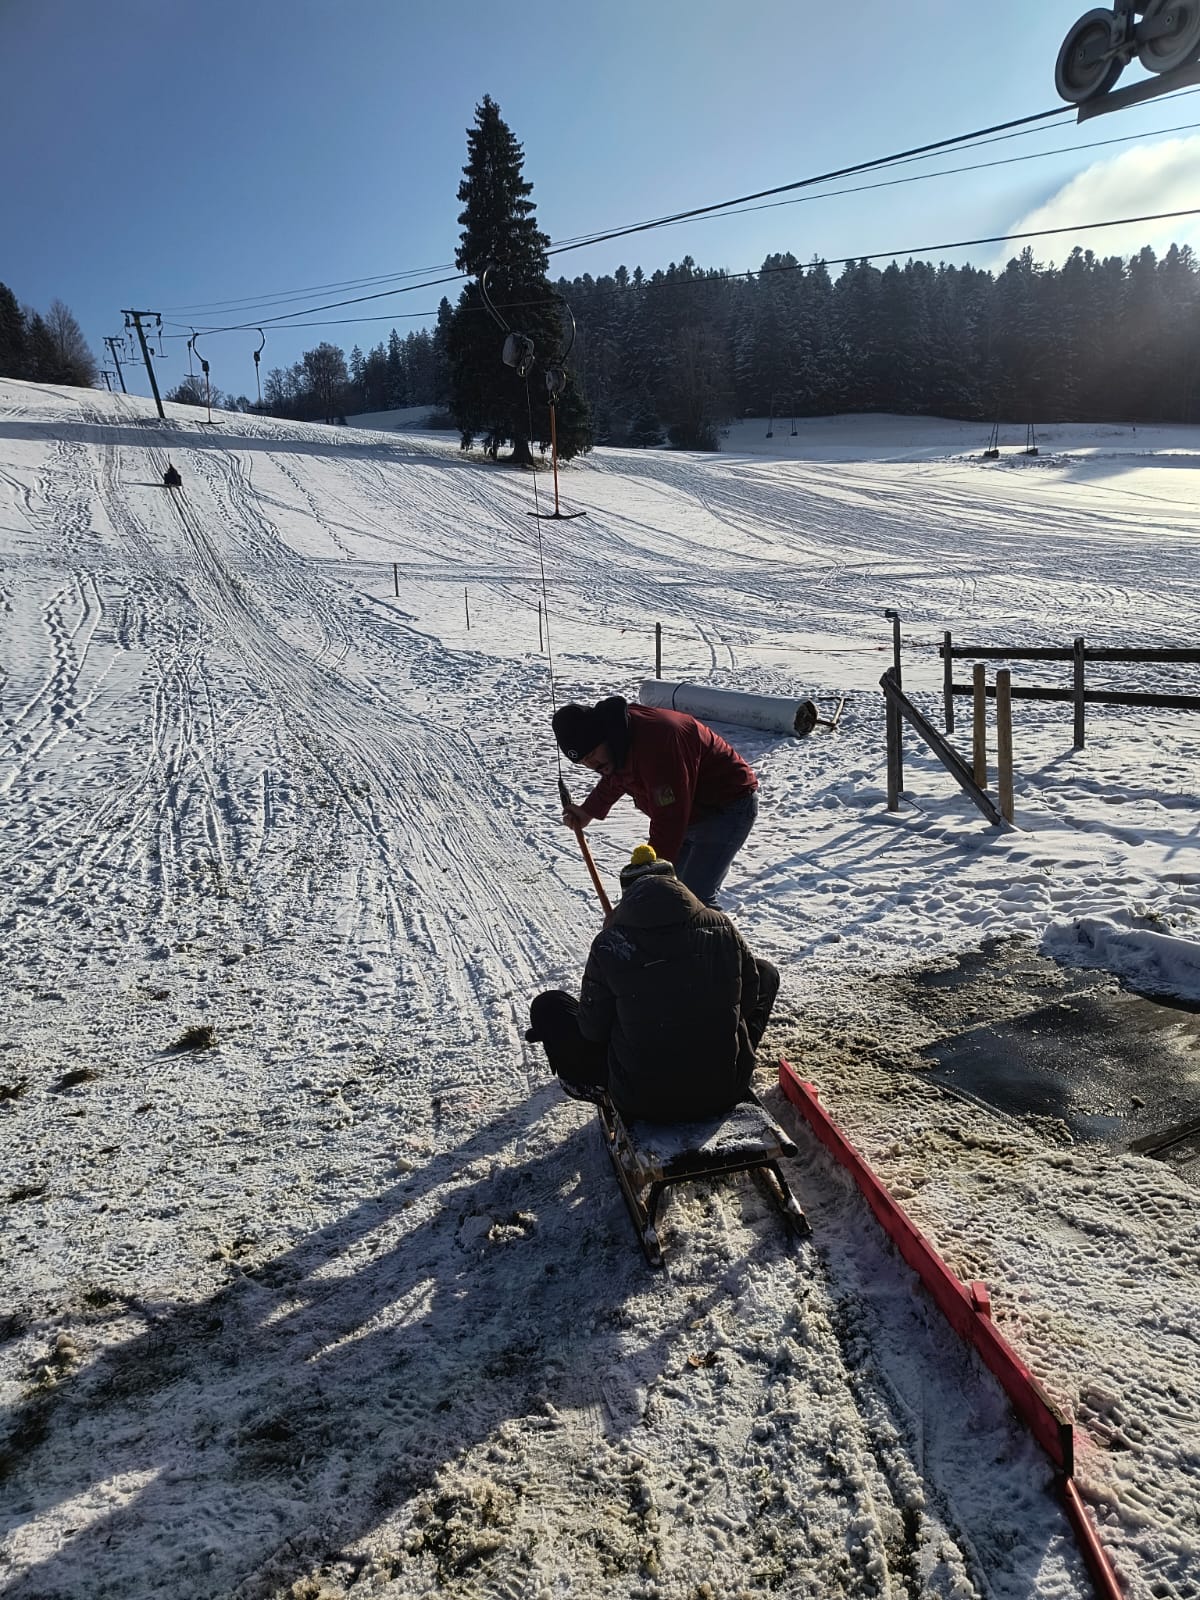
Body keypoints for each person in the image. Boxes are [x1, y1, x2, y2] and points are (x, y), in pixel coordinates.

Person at [526, 845, 780, 1124]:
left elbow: (593, 1030)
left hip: (642, 1099)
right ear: (676, 884)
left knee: (548, 1006)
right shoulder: (721, 925)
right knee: (765, 972)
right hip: (725, 1086)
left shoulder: (611, 943)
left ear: (627, 894)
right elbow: (746, 1004)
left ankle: (602, 1089)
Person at [552, 694, 758, 907]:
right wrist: (589, 810)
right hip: (691, 812)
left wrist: (648, 873)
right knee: (669, 895)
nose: (592, 765)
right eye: (584, 761)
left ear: (604, 736)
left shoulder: (658, 741)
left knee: (695, 899)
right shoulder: (617, 739)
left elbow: (670, 819)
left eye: (592, 754)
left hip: (726, 805)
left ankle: (712, 930)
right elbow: (617, 774)